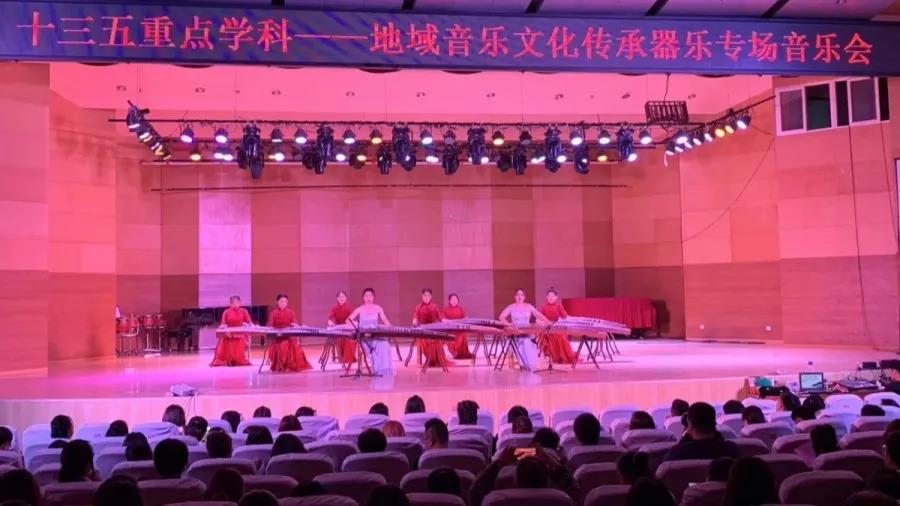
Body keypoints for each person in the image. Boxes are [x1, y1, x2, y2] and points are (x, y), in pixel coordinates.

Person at [469, 448, 578, 506]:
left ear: (516, 480)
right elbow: (573, 487)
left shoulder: (494, 500)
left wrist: (499, 463)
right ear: (547, 479)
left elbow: (475, 490)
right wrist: (550, 461)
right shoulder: (563, 500)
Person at [663, 402, 739, 462]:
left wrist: (686, 436)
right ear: (714, 423)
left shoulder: (676, 454)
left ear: (690, 424)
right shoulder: (731, 449)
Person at [498, 289, 551, 372]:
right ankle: (524, 363)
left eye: (521, 295)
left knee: (527, 341)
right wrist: (509, 324)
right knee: (523, 342)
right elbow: (501, 317)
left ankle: (530, 364)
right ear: (515, 297)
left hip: (527, 332)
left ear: (524, 297)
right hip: (516, 332)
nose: (519, 297)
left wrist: (547, 321)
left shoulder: (529, 306)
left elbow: (539, 315)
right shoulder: (511, 307)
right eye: (518, 295)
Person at [347, 288, 394, 376]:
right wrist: (356, 324)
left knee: (384, 345)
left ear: (374, 297)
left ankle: (385, 369)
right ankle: (378, 369)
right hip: (364, 337)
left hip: (375, 335)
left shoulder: (378, 308)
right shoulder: (360, 309)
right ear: (363, 298)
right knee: (371, 347)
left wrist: (385, 327)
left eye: (371, 296)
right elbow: (348, 320)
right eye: (366, 296)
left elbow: (387, 323)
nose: (368, 298)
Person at [266, 294, 311, 372]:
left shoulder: (291, 312)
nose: (283, 303)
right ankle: (283, 365)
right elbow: (270, 325)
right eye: (281, 301)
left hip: (289, 336)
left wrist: (295, 325)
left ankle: (290, 365)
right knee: (284, 344)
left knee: (293, 344)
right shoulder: (273, 313)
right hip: (278, 337)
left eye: (285, 302)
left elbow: (294, 323)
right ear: (277, 302)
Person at [412, 289, 448, 369]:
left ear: (431, 297)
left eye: (428, 295)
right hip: (423, 332)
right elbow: (415, 317)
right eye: (425, 295)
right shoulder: (418, 307)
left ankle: (435, 360)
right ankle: (430, 360)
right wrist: (414, 322)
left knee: (436, 340)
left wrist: (445, 321)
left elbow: (440, 318)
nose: (426, 297)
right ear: (422, 296)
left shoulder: (434, 306)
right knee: (425, 341)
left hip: (434, 331)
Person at [213, 294, 253, 367]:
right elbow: (223, 324)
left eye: (237, 302)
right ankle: (229, 360)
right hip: (229, 333)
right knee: (227, 340)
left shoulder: (244, 311)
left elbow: (250, 323)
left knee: (239, 340)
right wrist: (223, 328)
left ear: (240, 303)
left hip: (240, 334)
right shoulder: (226, 312)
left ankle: (237, 359)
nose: (235, 304)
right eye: (233, 302)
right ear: (230, 304)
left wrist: (252, 326)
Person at [538, 288, 576, 364]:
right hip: (547, 329)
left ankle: (563, 357)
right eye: (549, 296)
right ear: (547, 297)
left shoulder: (559, 306)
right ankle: (555, 357)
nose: (551, 297)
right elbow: (539, 319)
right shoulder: (544, 307)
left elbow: (565, 317)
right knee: (550, 336)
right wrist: (544, 323)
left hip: (557, 328)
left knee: (561, 337)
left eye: (552, 296)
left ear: (556, 297)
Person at [328, 290, 356, 365]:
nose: (341, 298)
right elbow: (330, 319)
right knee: (339, 338)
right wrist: (331, 323)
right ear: (337, 298)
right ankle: (342, 357)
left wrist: (351, 323)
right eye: (340, 297)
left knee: (351, 339)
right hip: (338, 330)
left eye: (343, 296)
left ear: (346, 298)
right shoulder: (334, 308)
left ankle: (348, 358)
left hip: (347, 329)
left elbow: (352, 319)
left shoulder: (349, 308)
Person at [443, 293, 474, 359]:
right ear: (449, 301)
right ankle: (454, 352)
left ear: (458, 301)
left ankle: (462, 353)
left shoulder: (460, 308)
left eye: (455, 299)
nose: (454, 301)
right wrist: (448, 321)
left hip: (459, 329)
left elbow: (465, 318)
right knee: (450, 337)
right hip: (450, 330)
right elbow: (443, 319)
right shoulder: (446, 309)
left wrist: (465, 320)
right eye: (452, 299)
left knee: (463, 335)